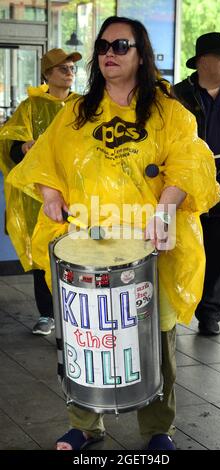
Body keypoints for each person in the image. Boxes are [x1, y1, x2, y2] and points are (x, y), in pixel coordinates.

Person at [7, 16, 220, 451]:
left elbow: (187, 161)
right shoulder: (77, 111)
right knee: (85, 337)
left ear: (141, 54)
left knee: (153, 339)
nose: (109, 53)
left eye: (121, 45)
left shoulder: (167, 111)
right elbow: (47, 158)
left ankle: (157, 429)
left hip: (148, 245)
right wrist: (49, 193)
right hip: (90, 243)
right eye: (103, 45)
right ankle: (84, 424)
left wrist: (166, 207)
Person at [0, 47, 81, 335]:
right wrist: (23, 147)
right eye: (63, 68)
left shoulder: (84, 105)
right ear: (47, 74)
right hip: (40, 195)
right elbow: (9, 143)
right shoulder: (30, 107)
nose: (69, 72)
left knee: (77, 251)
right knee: (42, 252)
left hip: (78, 193)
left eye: (72, 67)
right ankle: (47, 314)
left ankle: (77, 312)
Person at [174, 33, 220, 336]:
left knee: (217, 258)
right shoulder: (176, 96)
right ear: (203, 62)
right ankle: (172, 315)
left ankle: (210, 316)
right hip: (183, 192)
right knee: (179, 253)